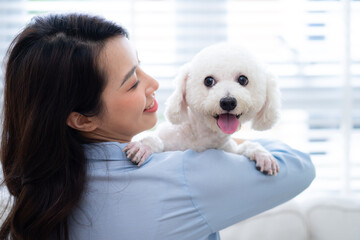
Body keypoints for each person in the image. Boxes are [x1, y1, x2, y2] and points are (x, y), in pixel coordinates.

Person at [0, 13, 315, 240]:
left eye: (140, 66)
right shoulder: (186, 174)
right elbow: (300, 167)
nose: (153, 83)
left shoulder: (36, 196)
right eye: (132, 81)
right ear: (82, 118)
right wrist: (231, 136)